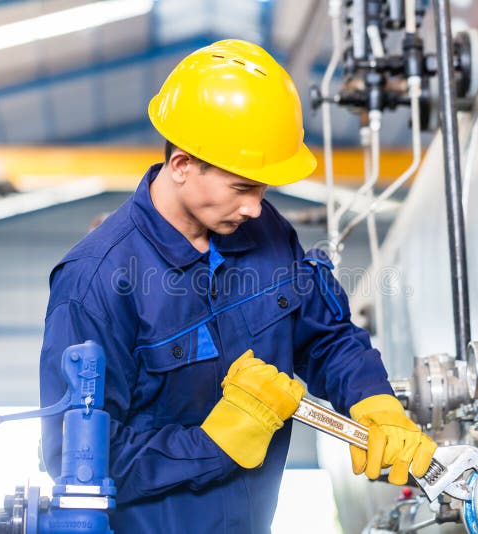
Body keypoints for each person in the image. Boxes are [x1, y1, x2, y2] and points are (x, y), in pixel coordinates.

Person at [39, 39, 436, 533]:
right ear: (182, 165)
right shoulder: (95, 281)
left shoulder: (264, 231)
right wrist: (214, 444)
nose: (255, 206)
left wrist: (374, 402)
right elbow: (72, 458)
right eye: (243, 187)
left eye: (263, 189)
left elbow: (324, 335)